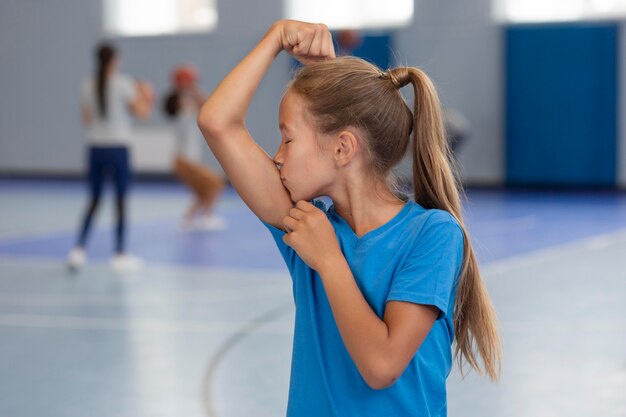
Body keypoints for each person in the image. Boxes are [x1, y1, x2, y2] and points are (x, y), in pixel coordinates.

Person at [198, 20, 501, 416]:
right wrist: (275, 38)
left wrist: (329, 260)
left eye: (287, 138)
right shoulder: (304, 223)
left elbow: (381, 366)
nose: (277, 156)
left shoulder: (432, 235)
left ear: (343, 148)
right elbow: (217, 122)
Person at [67, 42, 154, 272]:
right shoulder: (124, 84)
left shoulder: (86, 85)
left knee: (94, 200)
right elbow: (143, 113)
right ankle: (120, 253)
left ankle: (78, 249)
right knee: (120, 201)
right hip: (118, 147)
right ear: (115, 60)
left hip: (95, 148)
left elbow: (86, 120)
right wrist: (146, 95)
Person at [163, 65, 226, 230]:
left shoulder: (185, 107)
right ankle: (207, 217)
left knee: (203, 191)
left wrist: (189, 87)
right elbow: (207, 105)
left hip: (183, 160)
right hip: (185, 160)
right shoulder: (182, 109)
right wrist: (190, 87)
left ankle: (187, 219)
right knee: (216, 183)